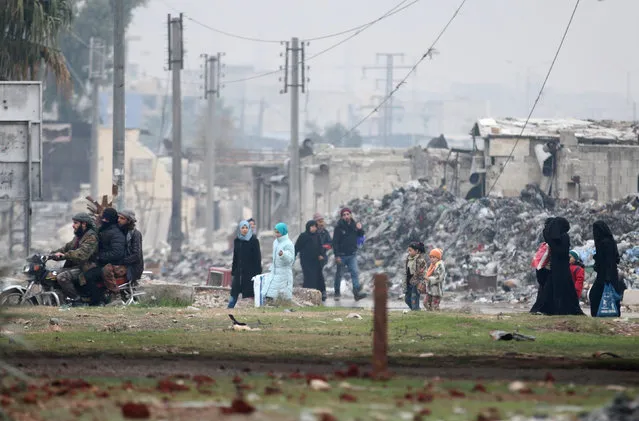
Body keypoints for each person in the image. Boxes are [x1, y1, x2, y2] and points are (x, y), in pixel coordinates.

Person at [52, 213, 98, 302]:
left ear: (84, 224)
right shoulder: (79, 236)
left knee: (62, 277)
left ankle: (77, 300)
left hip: (87, 267)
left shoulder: (91, 237)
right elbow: (66, 248)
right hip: (76, 266)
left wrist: (64, 255)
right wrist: (52, 254)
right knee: (51, 274)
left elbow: (82, 254)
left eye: (76, 223)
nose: (73, 226)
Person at [543, 217, 584, 316]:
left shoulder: (550, 237)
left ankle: (554, 308)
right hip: (563, 267)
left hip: (555, 266)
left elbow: (546, 231)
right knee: (565, 288)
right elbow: (563, 252)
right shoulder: (564, 236)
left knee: (555, 288)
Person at [591, 221, 626, 317]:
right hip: (607, 274)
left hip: (606, 275)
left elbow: (609, 260)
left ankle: (599, 315)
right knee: (610, 295)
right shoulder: (607, 241)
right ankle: (608, 314)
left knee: (595, 295)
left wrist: (607, 277)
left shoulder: (605, 243)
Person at [333, 208, 367, 301]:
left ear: (351, 215)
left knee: (355, 273)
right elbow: (335, 242)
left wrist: (360, 229)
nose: (346, 216)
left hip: (352, 255)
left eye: (348, 214)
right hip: (342, 255)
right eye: (344, 215)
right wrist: (337, 255)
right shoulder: (338, 227)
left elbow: (360, 236)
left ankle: (356, 293)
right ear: (342, 217)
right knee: (339, 274)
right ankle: (336, 292)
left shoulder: (354, 225)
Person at [228, 220, 262, 309]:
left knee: (249, 295)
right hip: (238, 273)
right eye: (242, 228)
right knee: (234, 294)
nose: (244, 230)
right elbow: (235, 257)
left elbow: (257, 259)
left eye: (246, 227)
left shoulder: (254, 240)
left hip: (250, 273)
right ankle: (228, 310)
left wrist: (258, 273)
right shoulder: (237, 241)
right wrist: (233, 271)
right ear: (239, 229)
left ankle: (250, 310)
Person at [95, 208, 126, 302]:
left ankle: (115, 297)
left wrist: (100, 257)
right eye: (103, 218)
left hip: (114, 264)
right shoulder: (102, 231)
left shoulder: (116, 234)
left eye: (106, 219)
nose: (104, 221)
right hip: (102, 262)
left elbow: (117, 253)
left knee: (104, 271)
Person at [262, 223, 295, 302]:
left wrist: (283, 254)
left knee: (282, 294)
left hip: (284, 273)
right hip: (275, 272)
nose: (276, 234)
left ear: (283, 232)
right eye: (275, 232)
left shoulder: (288, 243)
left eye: (278, 232)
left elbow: (291, 259)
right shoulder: (276, 242)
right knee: (269, 291)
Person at [295, 220, 326, 301]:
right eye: (312, 226)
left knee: (318, 277)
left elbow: (320, 246)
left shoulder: (317, 235)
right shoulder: (303, 236)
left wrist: (321, 254)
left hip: (315, 261)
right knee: (309, 278)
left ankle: (320, 294)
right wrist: (293, 256)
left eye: (315, 226)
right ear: (308, 227)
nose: (313, 228)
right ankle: (307, 295)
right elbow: (297, 247)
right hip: (306, 261)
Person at [530, 217, 554, 314]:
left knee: (543, 288)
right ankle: (542, 308)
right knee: (545, 289)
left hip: (541, 267)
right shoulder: (552, 237)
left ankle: (539, 308)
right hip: (546, 268)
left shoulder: (544, 234)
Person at [117, 209, 144, 282]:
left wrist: (120, 261)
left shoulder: (135, 234)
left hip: (132, 267)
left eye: (122, 218)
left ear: (129, 221)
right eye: (118, 217)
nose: (118, 220)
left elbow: (136, 255)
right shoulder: (119, 232)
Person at [404, 242, 427, 311]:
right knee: (407, 299)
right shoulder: (408, 259)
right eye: (408, 250)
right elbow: (406, 271)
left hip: (416, 283)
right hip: (408, 283)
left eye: (410, 250)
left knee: (414, 298)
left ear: (416, 251)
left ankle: (416, 310)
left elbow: (423, 273)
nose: (409, 252)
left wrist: (422, 283)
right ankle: (415, 310)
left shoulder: (420, 260)